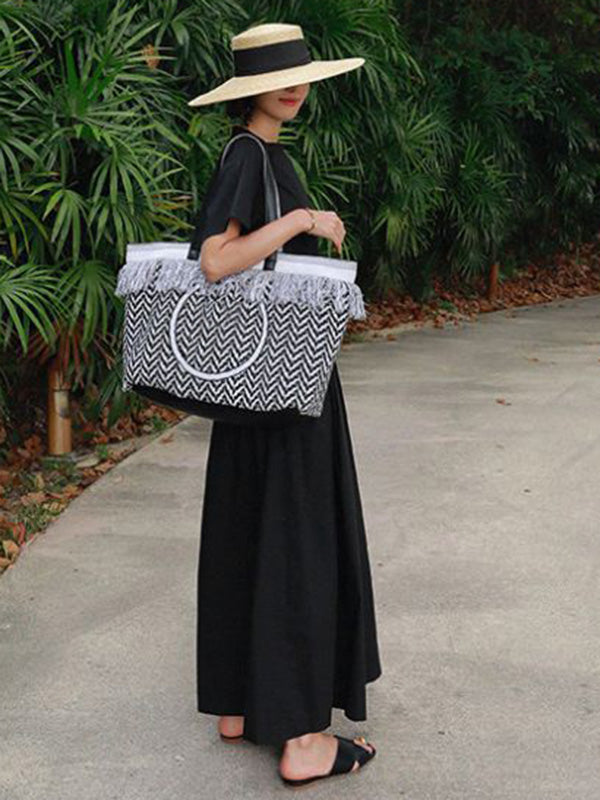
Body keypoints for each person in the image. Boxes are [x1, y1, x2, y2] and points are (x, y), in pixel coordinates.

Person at [188, 22, 382, 787]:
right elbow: (216, 260)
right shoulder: (250, 155)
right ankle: (303, 738)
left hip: (255, 388)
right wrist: (304, 220)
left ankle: (238, 703)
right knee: (299, 541)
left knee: (250, 529)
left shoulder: (260, 155)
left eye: (299, 75)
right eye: (278, 79)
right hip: (285, 384)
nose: (294, 87)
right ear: (250, 91)